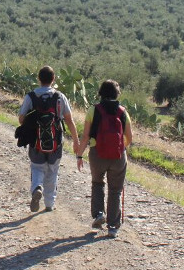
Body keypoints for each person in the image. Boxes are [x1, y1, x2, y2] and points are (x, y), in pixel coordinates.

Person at [76, 79, 133, 238]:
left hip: (97, 154)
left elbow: (86, 136)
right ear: (117, 93)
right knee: (115, 190)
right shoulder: (123, 111)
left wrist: (79, 154)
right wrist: (121, 147)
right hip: (118, 156)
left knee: (97, 182)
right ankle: (113, 227)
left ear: (101, 93)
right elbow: (129, 136)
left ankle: (99, 214)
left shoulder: (93, 110)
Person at [18, 66, 79, 212]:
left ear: (38, 79)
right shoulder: (60, 97)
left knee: (37, 168)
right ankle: (49, 204)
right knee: (52, 171)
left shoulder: (30, 97)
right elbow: (69, 121)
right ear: (54, 79)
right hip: (56, 142)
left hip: (36, 141)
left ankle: (37, 188)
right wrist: (76, 140)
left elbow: (21, 119)